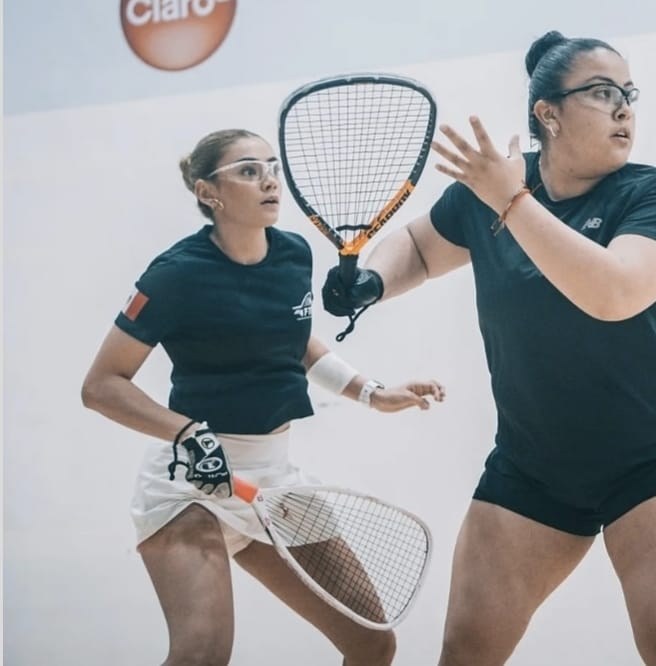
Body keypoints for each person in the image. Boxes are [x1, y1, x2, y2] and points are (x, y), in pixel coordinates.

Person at [322, 30, 656, 666]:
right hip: (536, 462)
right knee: (466, 652)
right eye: (602, 93)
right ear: (548, 113)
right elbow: (425, 246)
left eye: (629, 94)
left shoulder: (655, 196)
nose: (625, 108)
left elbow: (614, 293)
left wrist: (509, 199)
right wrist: (373, 282)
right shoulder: (485, 198)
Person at [81, 128, 445, 666]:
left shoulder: (292, 255)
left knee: (371, 643)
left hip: (270, 483)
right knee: (202, 654)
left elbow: (295, 342)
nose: (270, 179)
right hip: (191, 485)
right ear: (210, 193)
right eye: (249, 171)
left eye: (271, 167)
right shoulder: (175, 276)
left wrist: (371, 392)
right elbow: (101, 386)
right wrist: (186, 432)